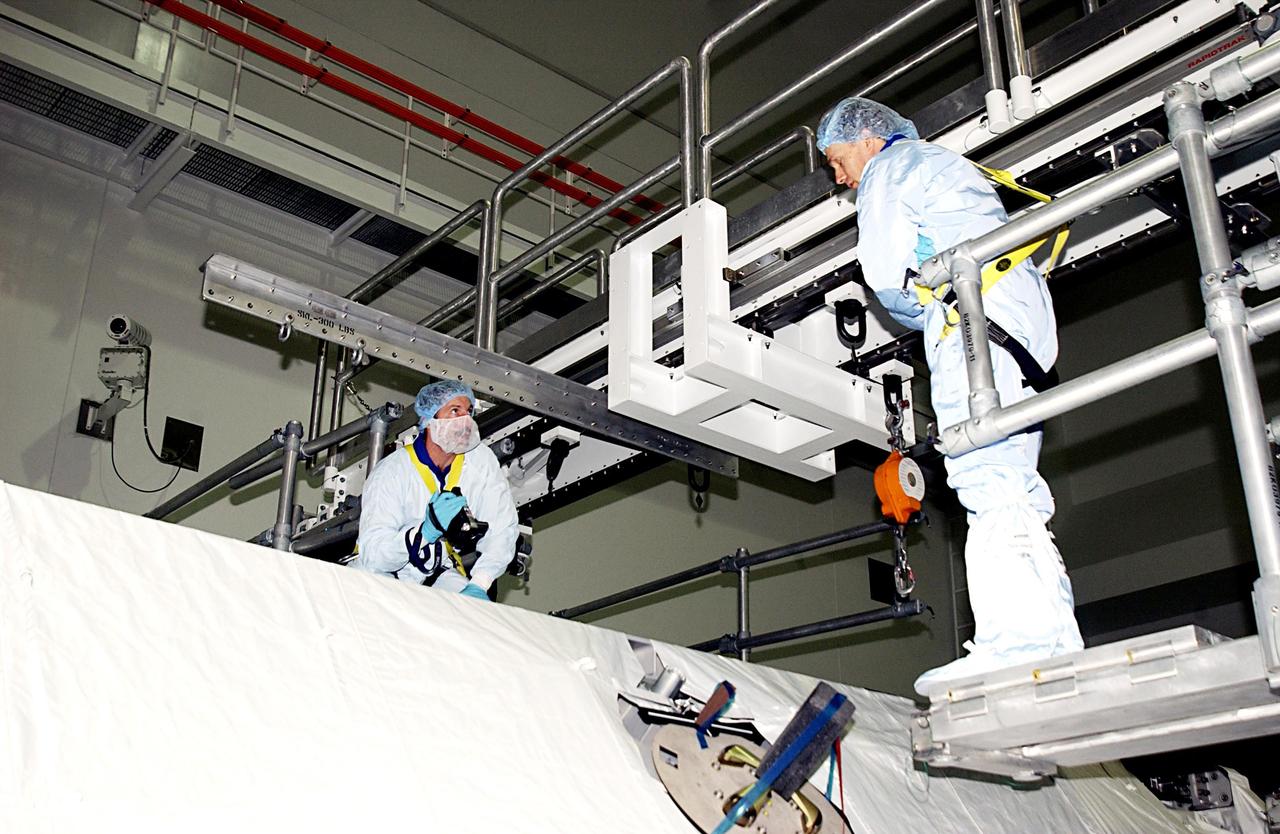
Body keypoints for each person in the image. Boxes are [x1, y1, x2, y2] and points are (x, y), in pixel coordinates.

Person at [815, 96, 1084, 694]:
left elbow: (886, 278)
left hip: (974, 317)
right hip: (1019, 317)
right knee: (1010, 480)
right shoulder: (945, 168)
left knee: (984, 473)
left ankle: (1020, 647)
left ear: (867, 139)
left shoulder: (891, 168)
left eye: (837, 159)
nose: (839, 176)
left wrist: (925, 310)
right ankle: (1049, 636)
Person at [353, 380, 518, 601]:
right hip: (384, 573)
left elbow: (501, 527)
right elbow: (374, 555)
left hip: (437, 572)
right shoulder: (392, 471)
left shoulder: (480, 461)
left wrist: (480, 582)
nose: (465, 421)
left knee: (474, 614)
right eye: (454, 411)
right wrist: (423, 534)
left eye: (469, 411)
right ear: (430, 420)